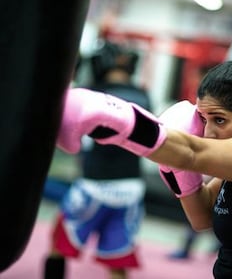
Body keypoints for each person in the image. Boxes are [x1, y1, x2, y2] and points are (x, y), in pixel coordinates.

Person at [56, 52, 232, 279]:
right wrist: (176, 171)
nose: (209, 132)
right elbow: (201, 217)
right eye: (203, 118)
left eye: (220, 120)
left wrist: (111, 115)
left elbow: (191, 151)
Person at [43, 41, 152, 279]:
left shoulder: (91, 93)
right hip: (132, 189)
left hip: (93, 186)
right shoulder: (144, 95)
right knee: (117, 257)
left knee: (59, 244)